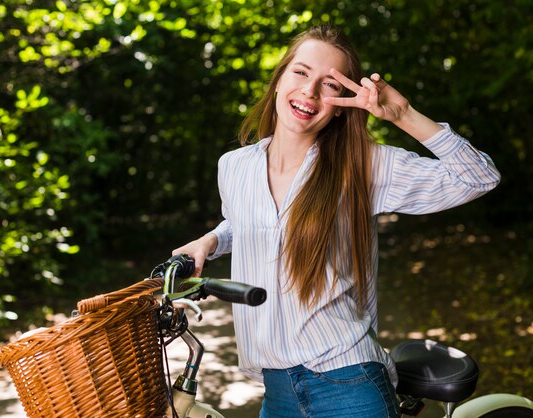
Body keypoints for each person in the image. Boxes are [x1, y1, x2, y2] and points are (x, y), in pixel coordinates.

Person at [172, 25, 500, 418]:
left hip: (348, 383)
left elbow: (479, 177)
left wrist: (404, 115)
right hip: (277, 389)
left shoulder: (362, 165)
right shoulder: (234, 166)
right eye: (301, 72)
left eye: (329, 84)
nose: (309, 91)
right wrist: (210, 241)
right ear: (279, 79)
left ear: (344, 102)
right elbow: (245, 222)